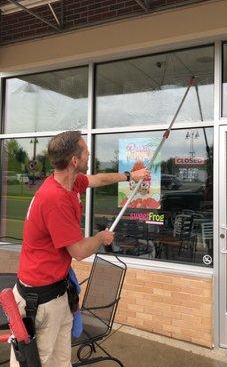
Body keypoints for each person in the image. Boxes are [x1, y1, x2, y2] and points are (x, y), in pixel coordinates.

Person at [10, 130, 149, 367]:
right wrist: (101, 237)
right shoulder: (55, 199)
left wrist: (130, 175)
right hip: (40, 303)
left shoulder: (70, 183)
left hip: (58, 294)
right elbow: (79, 251)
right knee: (35, 363)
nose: (89, 154)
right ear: (74, 160)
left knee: (60, 361)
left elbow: (98, 179)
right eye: (85, 151)